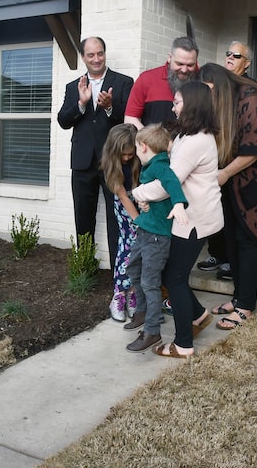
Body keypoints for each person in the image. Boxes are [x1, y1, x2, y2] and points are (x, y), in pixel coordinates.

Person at [131, 81, 222, 357]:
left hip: (194, 219)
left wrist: (138, 192)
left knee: (175, 277)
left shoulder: (196, 141)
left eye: (178, 102)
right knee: (174, 273)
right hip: (188, 217)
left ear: (192, 105)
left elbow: (167, 183)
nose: (173, 106)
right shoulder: (187, 135)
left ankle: (183, 344)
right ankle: (197, 316)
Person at [199, 63, 257, 330]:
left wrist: (225, 173)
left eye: (209, 90)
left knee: (247, 239)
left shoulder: (251, 97)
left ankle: (246, 307)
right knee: (231, 238)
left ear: (220, 83)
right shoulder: (226, 100)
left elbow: (256, 148)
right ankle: (238, 297)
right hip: (234, 177)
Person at [58, 37, 134, 271]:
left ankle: (118, 274)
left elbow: (129, 122)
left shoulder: (123, 83)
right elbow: (63, 121)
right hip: (82, 162)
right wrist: (81, 104)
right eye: (91, 55)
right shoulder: (73, 86)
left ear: (104, 53)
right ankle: (85, 268)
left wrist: (110, 107)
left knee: (117, 218)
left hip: (114, 162)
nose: (96, 59)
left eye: (100, 53)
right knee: (83, 217)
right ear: (83, 57)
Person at [123, 124, 189, 353]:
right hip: (145, 231)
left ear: (143, 147)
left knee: (149, 282)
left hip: (157, 238)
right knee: (134, 270)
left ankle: (152, 330)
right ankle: (142, 313)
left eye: (136, 149)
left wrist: (179, 203)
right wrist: (145, 202)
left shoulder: (161, 165)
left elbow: (172, 183)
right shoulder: (152, 165)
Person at [196, 40, 253, 278]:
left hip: (238, 165)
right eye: (228, 53)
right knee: (214, 210)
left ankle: (232, 261)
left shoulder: (249, 90)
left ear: (246, 63)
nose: (230, 58)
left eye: (236, 56)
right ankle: (218, 254)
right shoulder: (219, 86)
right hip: (215, 160)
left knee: (234, 218)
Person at [100, 123, 141, 322]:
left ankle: (132, 293)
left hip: (140, 203)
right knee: (127, 248)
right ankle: (119, 295)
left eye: (130, 154)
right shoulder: (111, 165)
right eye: (123, 155)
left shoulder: (136, 162)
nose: (126, 158)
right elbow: (124, 197)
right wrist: (138, 221)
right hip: (126, 209)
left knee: (138, 251)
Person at [124, 36, 199, 129]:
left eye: (190, 65)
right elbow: (131, 118)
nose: (184, 70)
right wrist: (151, 140)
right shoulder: (147, 79)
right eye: (179, 64)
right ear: (170, 58)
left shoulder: (203, 81)